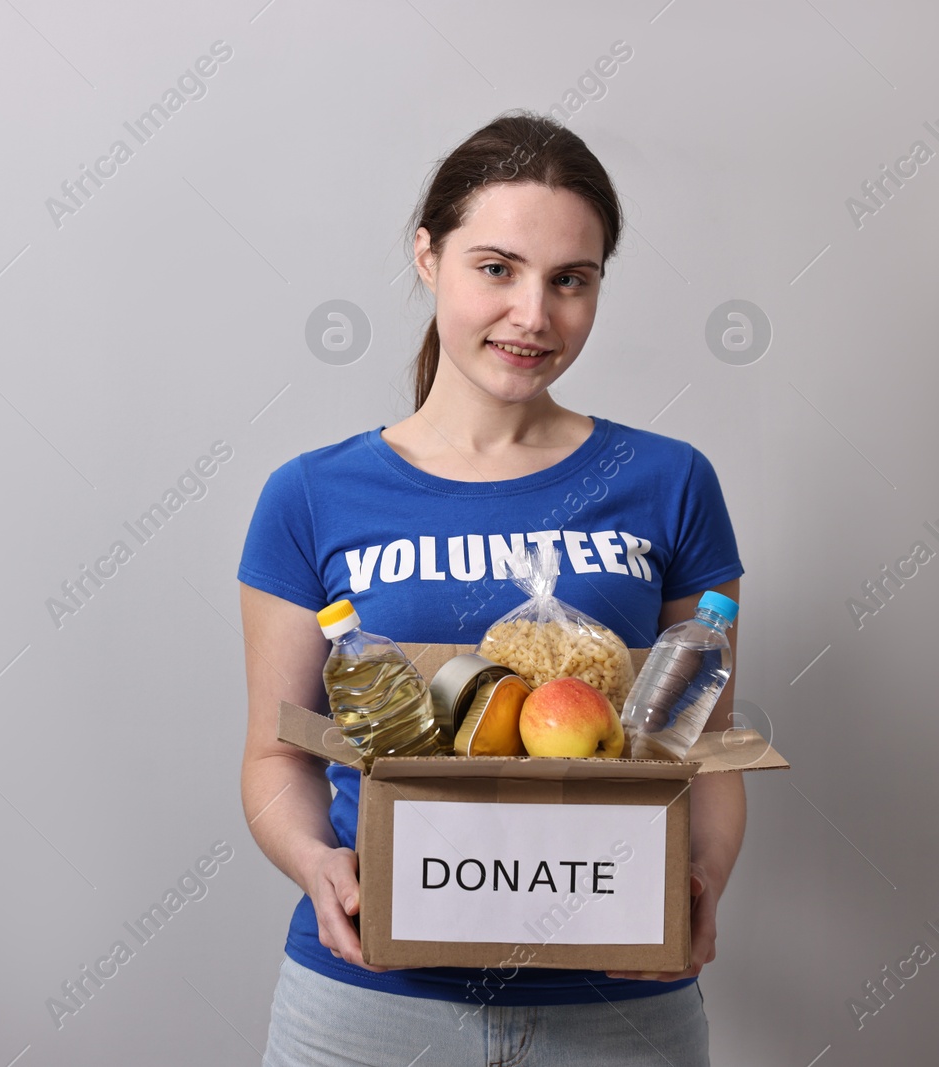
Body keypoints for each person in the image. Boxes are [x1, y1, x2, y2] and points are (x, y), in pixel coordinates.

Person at [237, 111, 745, 1067]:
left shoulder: (672, 481)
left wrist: (705, 874)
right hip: (371, 1003)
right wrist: (318, 865)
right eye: (497, 268)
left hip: (619, 1003)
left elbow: (703, 744)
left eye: (571, 281)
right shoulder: (311, 495)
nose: (533, 316)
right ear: (429, 258)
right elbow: (276, 756)